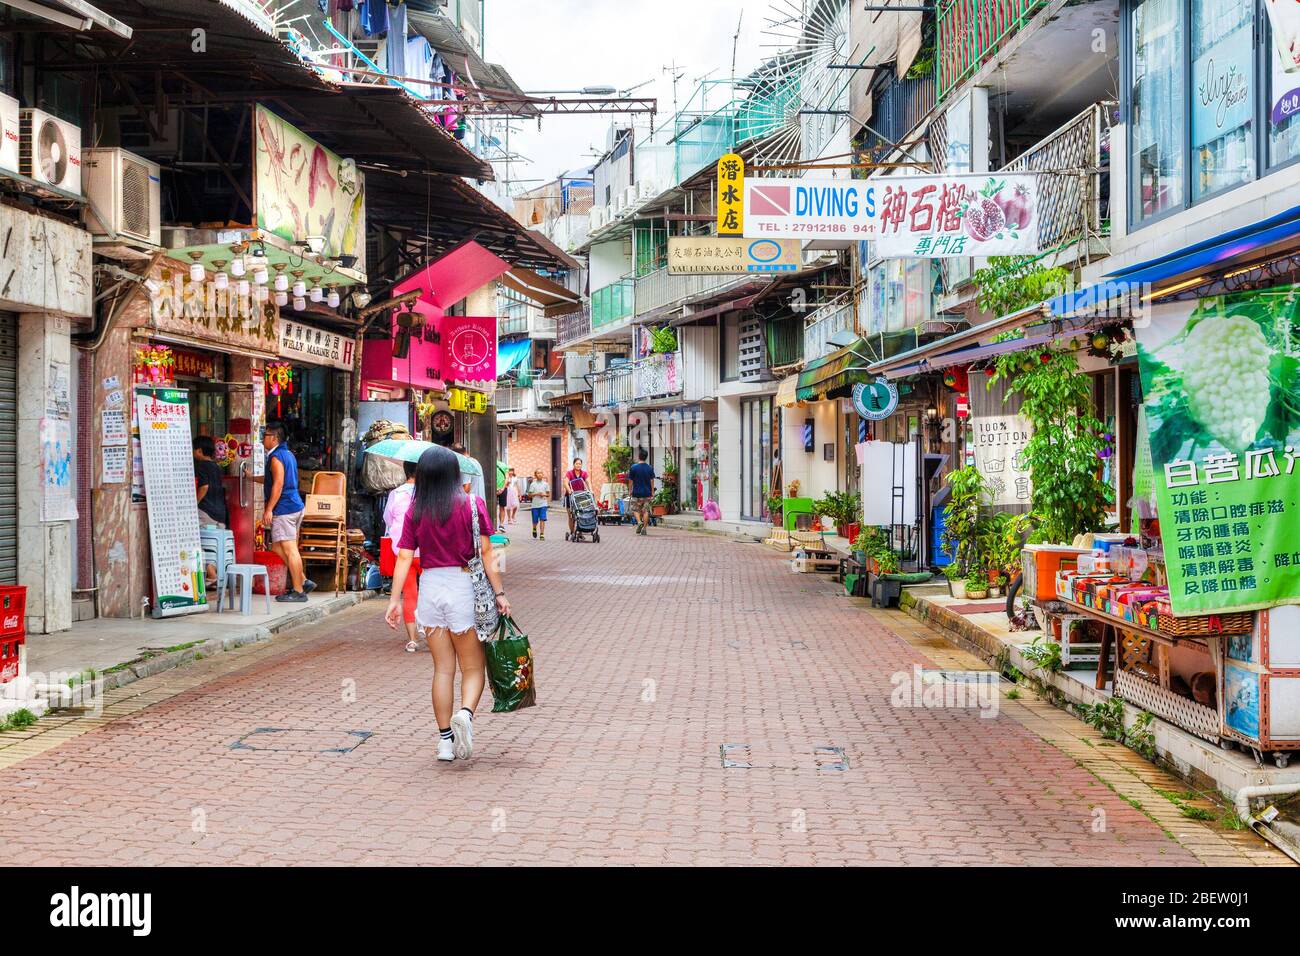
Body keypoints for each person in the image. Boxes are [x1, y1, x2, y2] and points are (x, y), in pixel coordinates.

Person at [385, 445, 510, 763]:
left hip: (429, 588)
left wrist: (395, 600)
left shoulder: (416, 510)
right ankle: (466, 715)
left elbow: (403, 557)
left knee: (442, 670)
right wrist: (499, 593)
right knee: (472, 667)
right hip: (463, 587)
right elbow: (486, 554)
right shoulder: (471, 504)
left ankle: (444, 742)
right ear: (455, 473)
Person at [262, 423, 313, 602]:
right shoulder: (288, 454)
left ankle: (299, 591)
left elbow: (278, 483)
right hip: (294, 505)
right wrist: (250, 477)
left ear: (274, 438)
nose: (263, 438)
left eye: (265, 435)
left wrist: (268, 509)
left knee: (290, 549)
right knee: (277, 547)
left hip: (284, 508)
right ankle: (304, 580)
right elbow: (273, 479)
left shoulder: (276, 457)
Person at [384, 461, 420, 653]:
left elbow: (388, 519)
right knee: (432, 592)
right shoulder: (428, 494)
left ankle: (413, 640)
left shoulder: (395, 493)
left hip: (403, 551)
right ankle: (434, 635)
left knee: (409, 593)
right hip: (427, 551)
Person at [193, 436, 228, 587]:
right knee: (214, 544)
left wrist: (195, 503)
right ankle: (215, 575)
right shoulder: (216, 467)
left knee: (201, 541)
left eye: (194, 449)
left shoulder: (201, 466)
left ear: (199, 451)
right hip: (220, 513)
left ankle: (212, 575)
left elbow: (204, 486)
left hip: (206, 512)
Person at [628, 449, 656, 536]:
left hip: (636, 493)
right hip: (647, 493)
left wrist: (630, 490)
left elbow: (631, 481)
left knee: (635, 509)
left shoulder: (633, 467)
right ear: (646, 457)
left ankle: (639, 522)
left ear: (639, 456)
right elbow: (652, 481)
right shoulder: (650, 468)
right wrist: (652, 492)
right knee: (646, 511)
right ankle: (644, 528)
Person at [563, 457, 591, 536]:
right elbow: (565, 483)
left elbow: (588, 482)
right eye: (577, 464)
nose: (578, 465)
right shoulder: (569, 473)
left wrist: (591, 490)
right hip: (570, 496)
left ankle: (580, 532)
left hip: (581, 496)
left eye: (580, 464)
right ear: (573, 464)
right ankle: (572, 532)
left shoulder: (584, 473)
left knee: (582, 514)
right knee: (571, 516)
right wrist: (569, 491)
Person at [526, 468, 550, 540]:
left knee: (542, 519)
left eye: (541, 473)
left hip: (543, 504)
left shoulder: (546, 484)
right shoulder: (533, 484)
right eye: (538, 473)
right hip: (535, 505)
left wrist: (544, 495)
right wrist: (536, 494)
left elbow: (548, 494)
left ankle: (542, 534)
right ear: (535, 475)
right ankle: (534, 528)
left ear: (543, 475)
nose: (540, 474)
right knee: (535, 520)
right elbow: (529, 495)